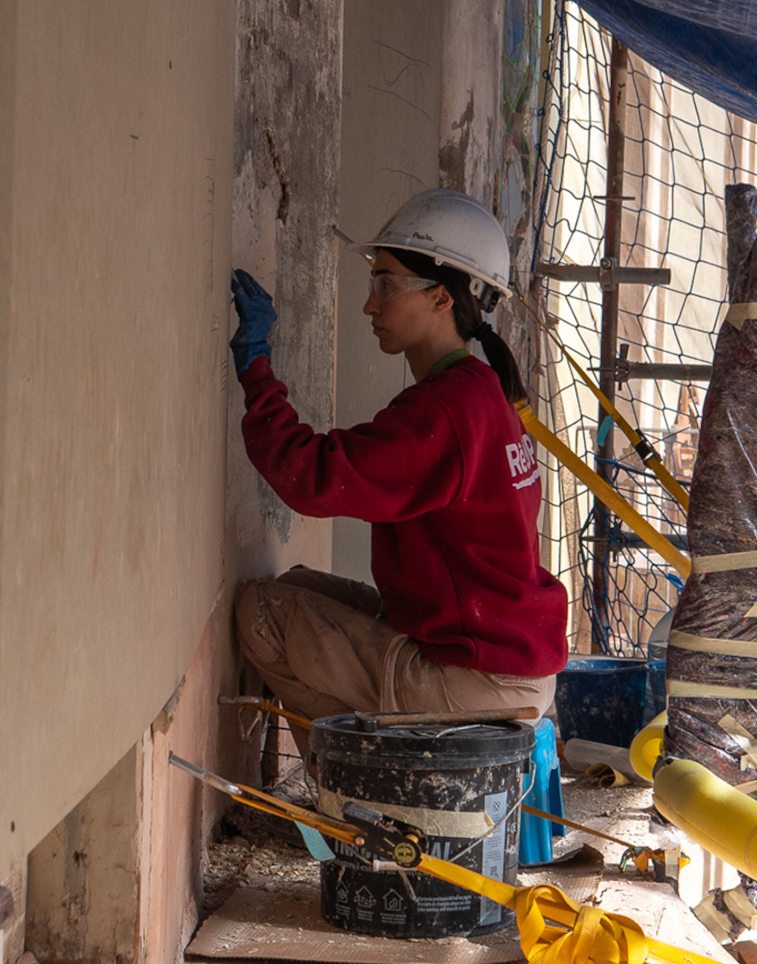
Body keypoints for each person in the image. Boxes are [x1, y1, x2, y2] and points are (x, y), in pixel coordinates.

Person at [229, 188, 568, 729]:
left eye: (386, 284)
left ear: (441, 298)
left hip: (472, 680)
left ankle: (366, 787)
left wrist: (255, 367)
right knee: (296, 587)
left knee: (261, 612)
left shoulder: (445, 409)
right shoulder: (480, 390)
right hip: (505, 663)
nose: (370, 303)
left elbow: (314, 478)